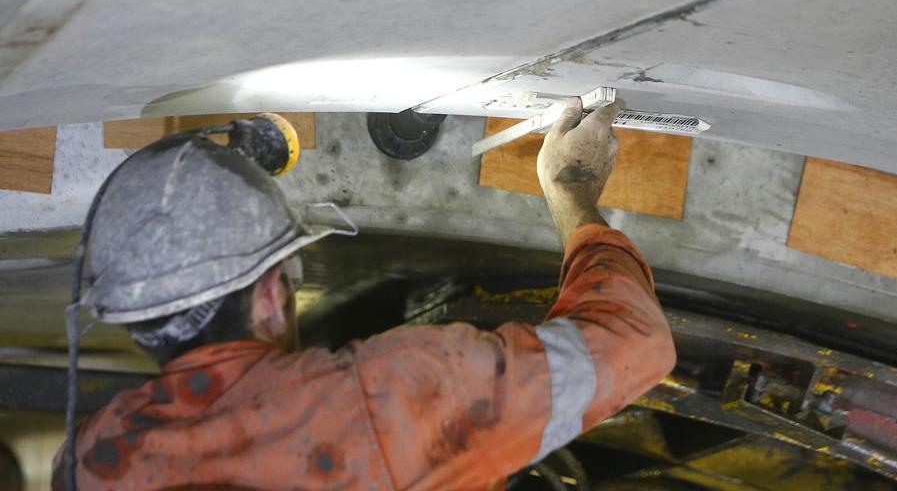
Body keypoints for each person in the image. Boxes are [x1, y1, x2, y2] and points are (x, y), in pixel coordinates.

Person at [53, 100, 676, 490]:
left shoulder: (96, 459)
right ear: (273, 293)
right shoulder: (389, 398)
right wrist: (571, 188)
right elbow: (633, 344)